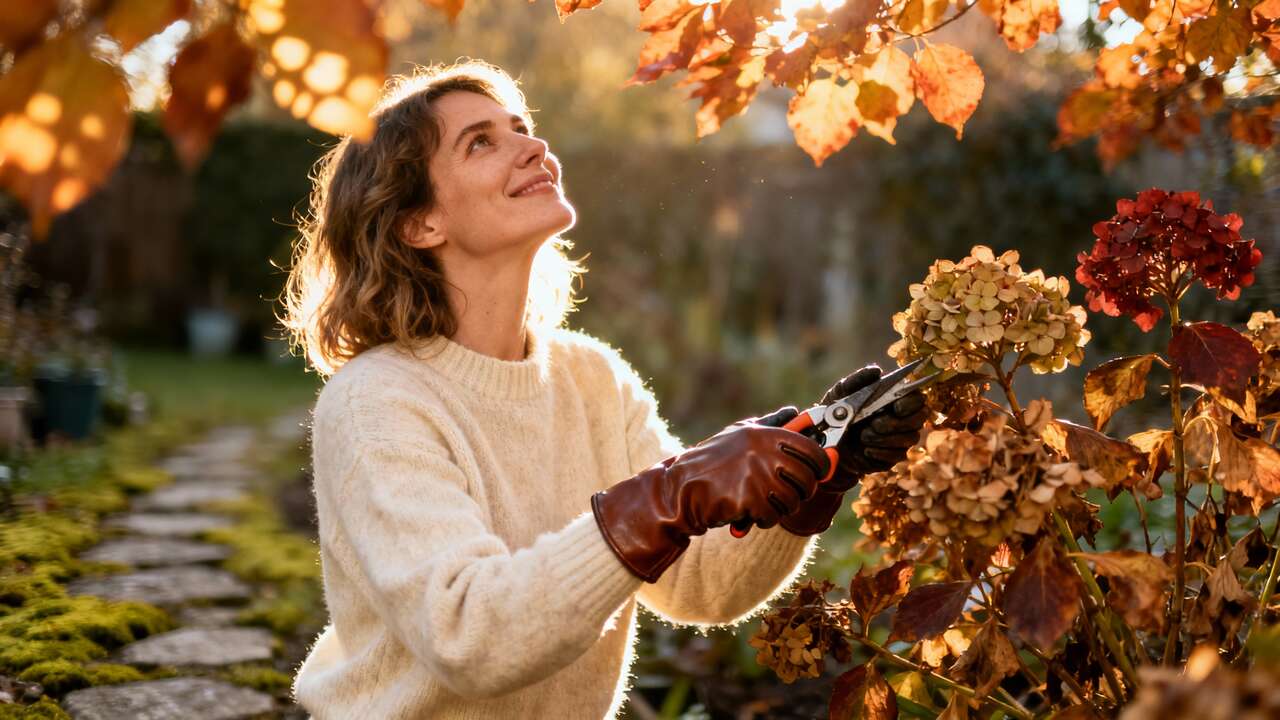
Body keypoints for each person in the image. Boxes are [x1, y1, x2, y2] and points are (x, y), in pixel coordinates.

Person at [280, 59, 928, 719]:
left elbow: (698, 588)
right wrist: (667, 497)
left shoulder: (591, 377)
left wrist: (812, 483)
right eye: (482, 142)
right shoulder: (376, 402)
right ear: (419, 224)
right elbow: (469, 632)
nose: (534, 146)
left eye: (522, 127)